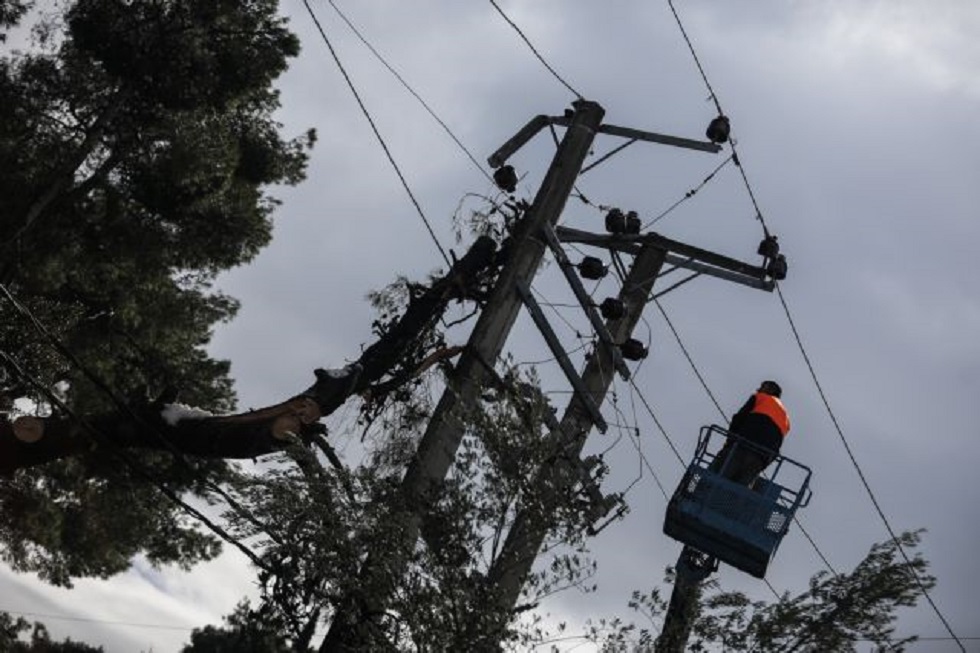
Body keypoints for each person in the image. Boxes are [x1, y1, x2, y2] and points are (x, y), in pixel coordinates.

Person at [712, 380, 790, 486]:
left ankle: (694, 490)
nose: (758, 389)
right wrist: (764, 463)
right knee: (737, 492)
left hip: (740, 447)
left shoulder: (761, 397)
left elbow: (738, 418)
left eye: (762, 387)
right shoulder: (785, 417)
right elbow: (777, 446)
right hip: (759, 459)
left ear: (770, 390)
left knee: (714, 477)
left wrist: (730, 441)